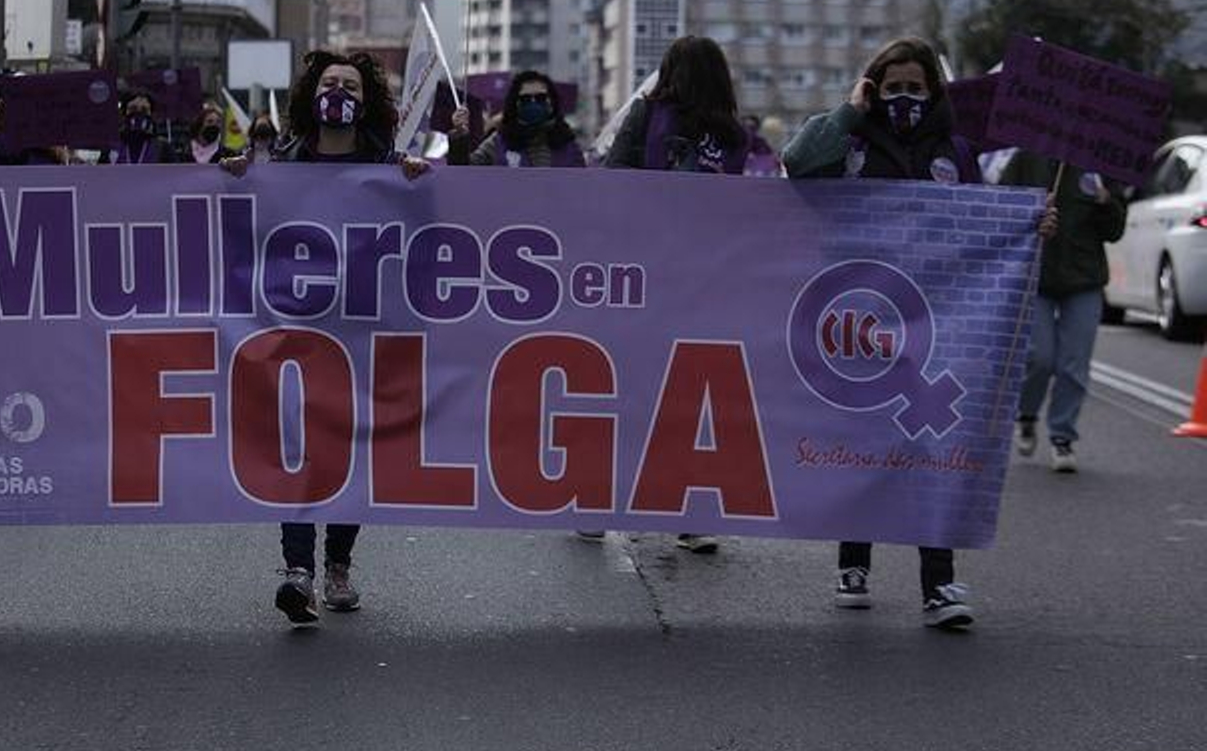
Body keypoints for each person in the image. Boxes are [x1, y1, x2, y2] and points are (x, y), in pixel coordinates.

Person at [781, 36, 1056, 629]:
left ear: (934, 92)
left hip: (939, 316)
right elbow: (799, 166)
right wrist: (852, 109)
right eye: (892, 86)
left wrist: (1032, 223)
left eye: (916, 87)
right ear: (874, 89)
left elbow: (982, 225)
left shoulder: (955, 152)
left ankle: (940, 583)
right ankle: (853, 561)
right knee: (863, 439)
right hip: (860, 316)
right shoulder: (847, 141)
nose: (904, 97)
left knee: (933, 445)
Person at [222, 49, 429, 625]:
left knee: (348, 452)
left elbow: (426, 235)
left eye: (352, 87)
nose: (340, 92)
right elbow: (242, 228)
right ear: (313, 93)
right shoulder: (278, 162)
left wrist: (416, 183)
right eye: (331, 82)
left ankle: (338, 563)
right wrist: (240, 179)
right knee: (296, 450)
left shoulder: (389, 167)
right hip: (292, 331)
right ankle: (299, 572)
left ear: (367, 104)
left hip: (362, 335)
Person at [596, 36, 749, 551]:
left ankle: (683, 509)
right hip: (649, 274)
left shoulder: (731, 137)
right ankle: (604, 499)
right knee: (640, 395)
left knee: (677, 399)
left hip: (695, 280)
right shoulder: (648, 115)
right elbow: (616, 179)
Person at [1003, 150, 1126, 473]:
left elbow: (1115, 230)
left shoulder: (1102, 164)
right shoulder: (1025, 159)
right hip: (1037, 278)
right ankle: (1026, 416)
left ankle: (1062, 437)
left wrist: (1105, 203)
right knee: (1039, 357)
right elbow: (1001, 211)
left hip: (1084, 279)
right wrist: (1033, 217)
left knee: (1074, 364)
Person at [447, 70, 585, 167]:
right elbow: (463, 172)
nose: (533, 103)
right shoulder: (498, 143)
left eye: (540, 98)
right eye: (525, 99)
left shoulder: (569, 146)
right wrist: (459, 136)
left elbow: (584, 189)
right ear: (515, 103)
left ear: (551, 102)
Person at [110, 91, 174, 164]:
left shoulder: (163, 148)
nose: (138, 113)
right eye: (133, 109)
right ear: (124, 113)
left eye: (144, 110)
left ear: (151, 115)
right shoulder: (112, 146)